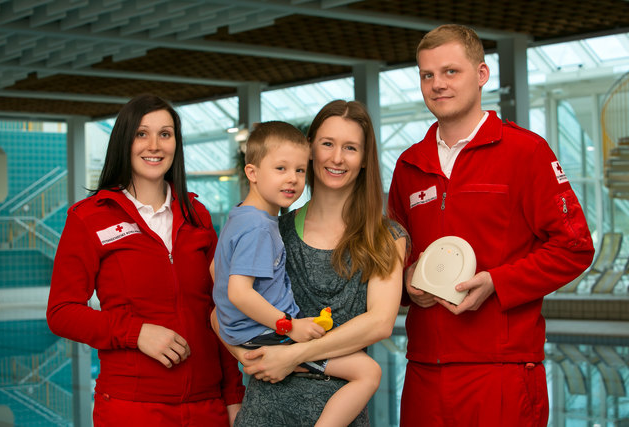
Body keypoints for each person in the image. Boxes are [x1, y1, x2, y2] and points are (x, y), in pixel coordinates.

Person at [387, 24, 595, 426]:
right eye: (427, 75)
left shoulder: (526, 152)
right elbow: (392, 256)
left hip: (501, 368)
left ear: (481, 75)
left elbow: (574, 247)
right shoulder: (410, 165)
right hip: (424, 371)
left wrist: (497, 283)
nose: (437, 85)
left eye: (451, 72)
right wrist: (407, 281)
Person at [46, 94, 244, 426]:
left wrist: (234, 395)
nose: (154, 145)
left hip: (206, 406)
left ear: (175, 144)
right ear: (125, 140)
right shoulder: (90, 218)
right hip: (131, 407)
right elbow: (62, 312)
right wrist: (136, 332)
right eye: (142, 133)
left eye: (165, 134)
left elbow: (218, 310)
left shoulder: (198, 216)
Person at [211, 100, 407, 426]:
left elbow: (380, 323)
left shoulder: (385, 236)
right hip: (265, 410)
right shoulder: (273, 230)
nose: (337, 157)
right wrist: (254, 359)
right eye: (327, 144)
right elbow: (222, 306)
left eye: (351, 148)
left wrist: (292, 356)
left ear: (363, 160)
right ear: (311, 150)